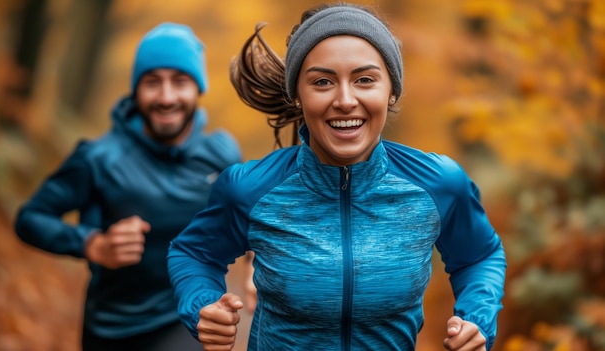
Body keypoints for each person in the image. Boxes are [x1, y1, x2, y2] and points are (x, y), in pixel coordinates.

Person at [167, 2, 506, 351]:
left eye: (364, 80)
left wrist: (476, 319)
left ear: (391, 91)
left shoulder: (438, 184)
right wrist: (203, 306)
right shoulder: (249, 189)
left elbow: (479, 256)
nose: (345, 100)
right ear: (297, 95)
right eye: (323, 82)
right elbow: (193, 253)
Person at [14, 22, 242, 351]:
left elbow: (247, 218)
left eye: (180, 81)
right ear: (136, 89)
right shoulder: (99, 158)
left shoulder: (221, 154)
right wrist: (93, 244)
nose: (166, 97)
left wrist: (252, 266)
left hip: (184, 322)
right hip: (112, 329)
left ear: (198, 88)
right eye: (152, 82)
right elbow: (30, 218)